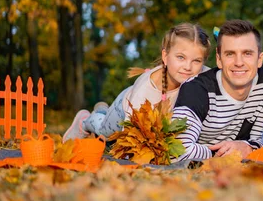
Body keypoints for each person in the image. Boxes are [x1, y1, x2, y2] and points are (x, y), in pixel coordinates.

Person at [62, 23, 211, 142]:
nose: (188, 67)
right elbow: (130, 133)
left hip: (154, 122)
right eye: (180, 57)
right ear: (165, 56)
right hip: (124, 110)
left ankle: (102, 109)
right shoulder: (146, 88)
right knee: (104, 133)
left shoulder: (203, 74)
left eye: (196, 60)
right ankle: (86, 120)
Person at [172, 20, 263, 161]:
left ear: (260, 59)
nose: (239, 62)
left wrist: (248, 147)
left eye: (247, 53)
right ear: (219, 59)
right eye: (230, 54)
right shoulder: (196, 90)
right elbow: (178, 149)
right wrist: (223, 155)